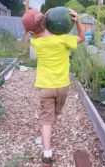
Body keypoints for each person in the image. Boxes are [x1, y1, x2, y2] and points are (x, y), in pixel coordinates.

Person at [22, 8, 85, 167]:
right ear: (46, 21)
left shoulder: (35, 42)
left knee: (46, 121)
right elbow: (82, 38)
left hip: (46, 88)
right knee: (55, 115)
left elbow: (36, 32)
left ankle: (47, 154)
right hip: (62, 86)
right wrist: (77, 21)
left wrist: (38, 22)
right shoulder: (63, 39)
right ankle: (47, 134)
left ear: (30, 31)